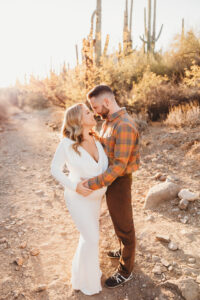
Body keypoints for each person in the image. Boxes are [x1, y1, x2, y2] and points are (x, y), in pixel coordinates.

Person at [76, 85, 140, 289]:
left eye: (95, 107)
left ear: (106, 102)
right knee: (116, 220)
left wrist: (92, 184)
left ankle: (125, 270)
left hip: (119, 181)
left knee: (125, 225)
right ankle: (122, 251)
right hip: (110, 178)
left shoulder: (125, 126)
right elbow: (109, 146)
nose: (94, 111)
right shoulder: (109, 122)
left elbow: (120, 166)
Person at [50, 103, 108, 295]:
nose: (92, 114)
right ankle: (87, 283)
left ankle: (83, 273)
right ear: (77, 119)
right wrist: (75, 186)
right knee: (91, 238)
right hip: (78, 199)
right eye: (87, 112)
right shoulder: (67, 143)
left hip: (96, 200)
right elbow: (54, 169)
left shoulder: (95, 138)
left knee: (89, 238)